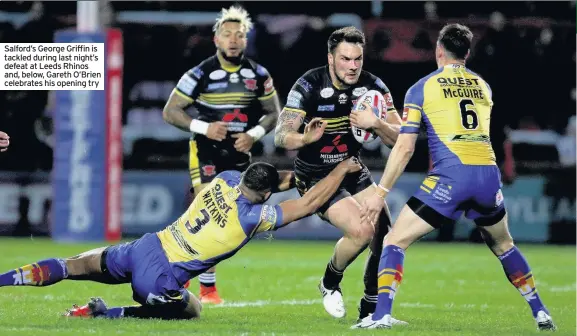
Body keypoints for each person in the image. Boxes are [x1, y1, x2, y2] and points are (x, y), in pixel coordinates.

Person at [351, 23, 556, 331]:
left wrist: (380, 192)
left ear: (438, 51)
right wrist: (379, 123)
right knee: (504, 245)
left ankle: (381, 316)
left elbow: (405, 146)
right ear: (467, 53)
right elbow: (450, 124)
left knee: (394, 239)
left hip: (451, 176)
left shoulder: (422, 88)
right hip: (488, 175)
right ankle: (540, 312)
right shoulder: (483, 87)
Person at [0, 156, 363, 320]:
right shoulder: (253, 218)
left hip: (145, 245)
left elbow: (267, 178)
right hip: (160, 276)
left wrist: (284, 177)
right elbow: (310, 202)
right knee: (191, 309)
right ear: (267, 194)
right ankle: (105, 313)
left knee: (73, 265)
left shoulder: (225, 178)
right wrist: (341, 169)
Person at [274, 26, 406, 324]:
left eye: (358, 59)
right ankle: (329, 283)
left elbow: (400, 138)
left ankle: (372, 309)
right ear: (331, 58)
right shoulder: (308, 84)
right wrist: (305, 139)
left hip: (352, 167)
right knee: (361, 231)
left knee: (385, 232)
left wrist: (377, 124)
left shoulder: (373, 86)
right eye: (345, 59)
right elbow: (281, 136)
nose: (353, 66)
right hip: (316, 176)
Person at [162, 5, 281, 304]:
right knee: (207, 212)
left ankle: (190, 277)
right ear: (216, 39)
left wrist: (252, 135)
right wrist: (204, 127)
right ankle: (207, 289)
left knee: (228, 218)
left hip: (239, 154)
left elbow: (273, 114)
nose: (233, 40)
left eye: (239, 35)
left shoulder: (259, 74)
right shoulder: (199, 73)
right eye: (227, 34)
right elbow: (170, 111)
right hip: (206, 151)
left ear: (245, 40)